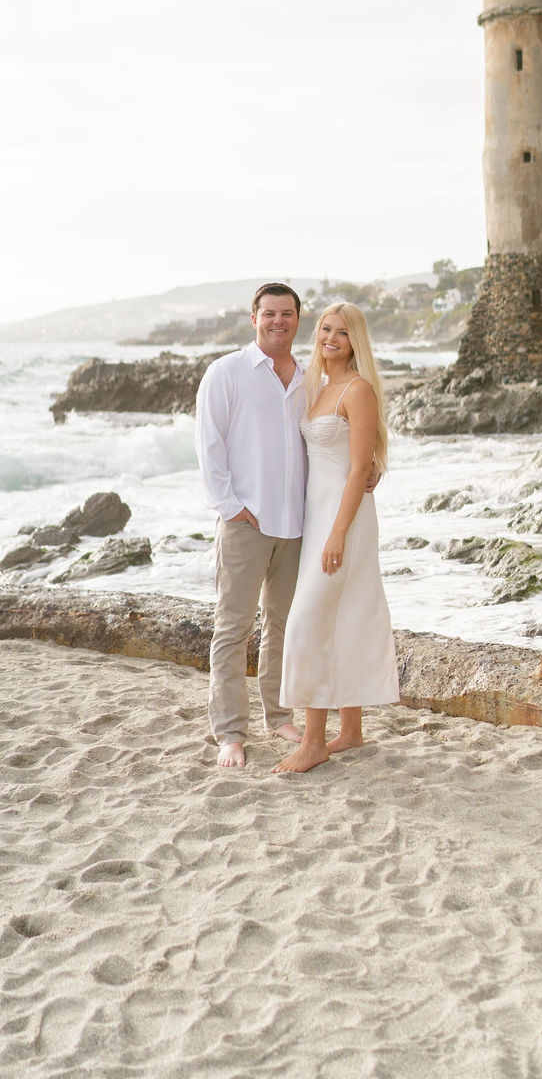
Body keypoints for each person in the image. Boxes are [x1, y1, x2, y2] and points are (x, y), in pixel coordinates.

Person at [273, 302, 399, 775]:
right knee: (342, 615)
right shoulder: (316, 386)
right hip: (318, 516)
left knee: (310, 620)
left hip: (343, 520)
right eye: (326, 328)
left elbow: (359, 468)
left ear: (355, 342)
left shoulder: (357, 389)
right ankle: (350, 731)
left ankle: (313, 742)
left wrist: (338, 533)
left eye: (342, 333)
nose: (331, 338)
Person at [195, 283, 306, 768]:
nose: (278, 321)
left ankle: (278, 714)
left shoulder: (307, 377)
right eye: (269, 314)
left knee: (282, 624)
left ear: (298, 319)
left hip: (297, 523)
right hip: (246, 521)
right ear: (254, 318)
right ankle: (230, 733)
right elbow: (209, 444)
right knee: (233, 627)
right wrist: (228, 505)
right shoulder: (228, 372)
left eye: (287, 314)